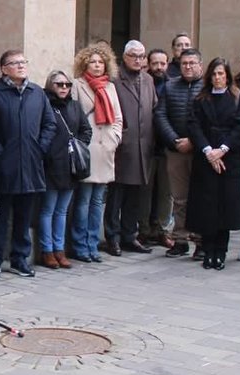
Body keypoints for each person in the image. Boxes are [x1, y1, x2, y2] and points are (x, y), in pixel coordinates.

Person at [0, 49, 57, 277]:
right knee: (0, 217)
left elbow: (50, 124)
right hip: (4, 165)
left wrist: (40, 147)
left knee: (24, 217)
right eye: (15, 63)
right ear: (4, 68)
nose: (21, 66)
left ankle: (20, 258)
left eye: (23, 62)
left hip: (32, 164)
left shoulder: (37, 93)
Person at [186, 58, 240, 268]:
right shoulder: (200, 99)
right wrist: (207, 151)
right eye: (214, 74)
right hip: (205, 158)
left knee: (225, 206)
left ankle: (220, 252)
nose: (217, 78)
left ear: (228, 76)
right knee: (207, 207)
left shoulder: (238, 98)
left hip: (228, 158)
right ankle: (207, 250)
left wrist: (222, 151)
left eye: (221, 74)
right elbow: (194, 126)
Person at [69, 43, 123, 262]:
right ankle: (80, 245)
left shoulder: (110, 87)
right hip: (87, 149)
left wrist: (115, 139)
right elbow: (74, 116)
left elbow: (118, 118)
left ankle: (93, 244)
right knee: (83, 200)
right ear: (84, 63)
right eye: (93, 62)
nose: (97, 65)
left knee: (97, 201)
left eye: (101, 62)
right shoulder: (77, 85)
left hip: (105, 149)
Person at [107, 40, 158, 256]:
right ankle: (112, 237)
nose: (138, 60)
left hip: (143, 146)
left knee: (135, 195)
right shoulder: (114, 79)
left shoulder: (148, 80)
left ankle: (130, 235)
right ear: (124, 57)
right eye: (133, 56)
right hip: (122, 146)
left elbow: (154, 107)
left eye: (141, 56)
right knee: (116, 195)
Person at [155, 48, 205, 256]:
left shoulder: (207, 87)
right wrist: (175, 140)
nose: (188, 67)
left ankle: (201, 240)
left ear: (200, 65)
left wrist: (194, 141)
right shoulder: (169, 86)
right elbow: (160, 114)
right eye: (184, 63)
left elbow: (210, 118)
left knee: (200, 197)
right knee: (179, 197)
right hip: (175, 150)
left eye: (192, 63)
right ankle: (180, 239)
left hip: (201, 151)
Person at [39, 70, 91, 268]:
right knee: (48, 209)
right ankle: (47, 250)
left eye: (67, 85)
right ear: (50, 85)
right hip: (51, 164)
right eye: (59, 84)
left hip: (71, 165)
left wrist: (78, 144)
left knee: (62, 210)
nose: (63, 88)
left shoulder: (75, 106)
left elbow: (86, 129)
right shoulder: (45, 104)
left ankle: (60, 249)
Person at [138, 47, 172, 246]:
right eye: (155, 63)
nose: (159, 67)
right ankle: (143, 229)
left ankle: (161, 230)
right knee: (145, 191)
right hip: (147, 146)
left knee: (165, 193)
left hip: (167, 146)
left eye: (162, 63)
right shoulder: (142, 84)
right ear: (148, 64)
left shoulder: (172, 85)